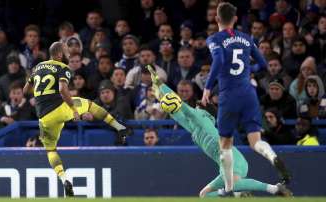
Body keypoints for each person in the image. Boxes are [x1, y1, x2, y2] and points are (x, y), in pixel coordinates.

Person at [147, 65, 291, 197]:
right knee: (204, 195)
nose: (196, 107)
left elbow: (182, 108)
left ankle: (274, 188)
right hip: (225, 164)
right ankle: (238, 193)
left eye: (198, 106)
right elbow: (176, 112)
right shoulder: (195, 127)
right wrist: (160, 89)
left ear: (205, 112)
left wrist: (163, 87)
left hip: (231, 159)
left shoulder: (202, 117)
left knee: (233, 185)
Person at [201, 3, 290, 194]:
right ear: (234, 19)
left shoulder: (214, 39)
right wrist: (250, 70)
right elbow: (264, 65)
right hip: (249, 94)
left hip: (229, 94)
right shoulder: (246, 38)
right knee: (255, 141)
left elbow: (218, 60)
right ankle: (273, 157)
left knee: (225, 144)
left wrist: (207, 88)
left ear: (217, 19)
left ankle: (229, 188)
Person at [22, 42, 131, 197]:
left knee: (51, 150)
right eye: (66, 52)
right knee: (89, 104)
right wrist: (73, 109)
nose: (69, 54)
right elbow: (62, 89)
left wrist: (39, 93)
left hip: (44, 117)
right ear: (59, 54)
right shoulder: (63, 67)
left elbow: (26, 90)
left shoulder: (38, 67)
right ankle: (120, 127)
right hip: (59, 107)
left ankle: (64, 179)